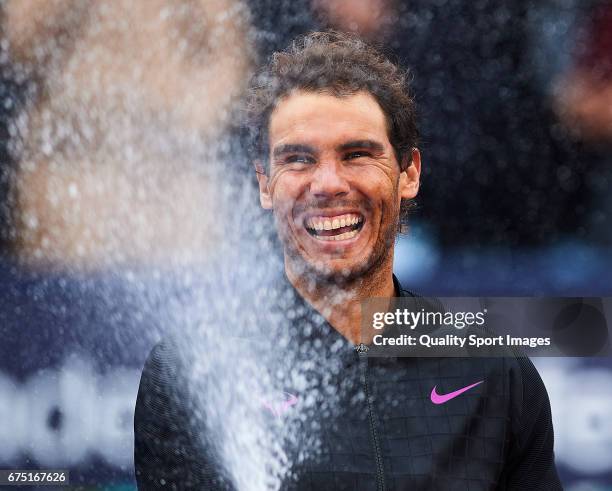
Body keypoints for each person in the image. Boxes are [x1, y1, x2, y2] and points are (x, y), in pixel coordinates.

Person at [134, 31, 562, 490]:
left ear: (408, 173)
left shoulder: (496, 371)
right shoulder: (192, 374)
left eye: (357, 154)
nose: (328, 184)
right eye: (298, 159)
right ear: (264, 183)